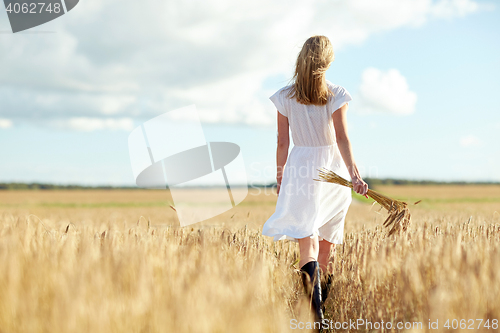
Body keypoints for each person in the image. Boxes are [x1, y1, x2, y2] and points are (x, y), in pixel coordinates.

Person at [261, 35, 369, 326]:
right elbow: (343, 138)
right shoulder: (336, 93)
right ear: (328, 62)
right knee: (327, 247)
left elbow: (282, 142)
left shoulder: (284, 96)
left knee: (305, 242)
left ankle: (314, 316)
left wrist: (281, 176)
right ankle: (319, 316)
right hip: (333, 172)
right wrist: (355, 176)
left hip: (300, 169)